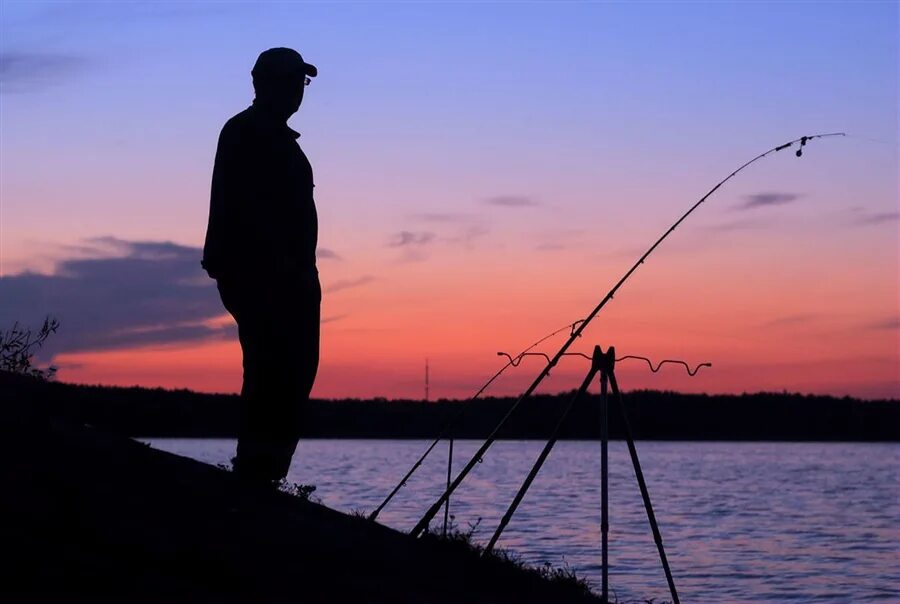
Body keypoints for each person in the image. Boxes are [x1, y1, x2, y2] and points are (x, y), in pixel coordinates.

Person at [202, 48, 321, 487]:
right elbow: (244, 208)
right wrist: (273, 268)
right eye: (290, 80)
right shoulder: (246, 132)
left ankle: (265, 473)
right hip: (265, 276)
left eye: (301, 82)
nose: (297, 90)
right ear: (261, 83)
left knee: (292, 370)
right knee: (275, 368)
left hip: (291, 276)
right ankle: (257, 472)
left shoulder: (275, 137)